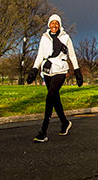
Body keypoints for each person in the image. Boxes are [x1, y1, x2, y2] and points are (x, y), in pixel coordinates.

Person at [26, 14, 82, 143]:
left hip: (60, 69)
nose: (54, 25)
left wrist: (77, 71)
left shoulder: (65, 37)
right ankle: (65, 122)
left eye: (57, 23)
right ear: (49, 24)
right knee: (55, 98)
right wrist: (34, 70)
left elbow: (72, 55)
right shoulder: (44, 38)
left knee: (50, 96)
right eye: (52, 23)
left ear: (60, 24)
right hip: (47, 71)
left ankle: (43, 131)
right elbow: (40, 55)